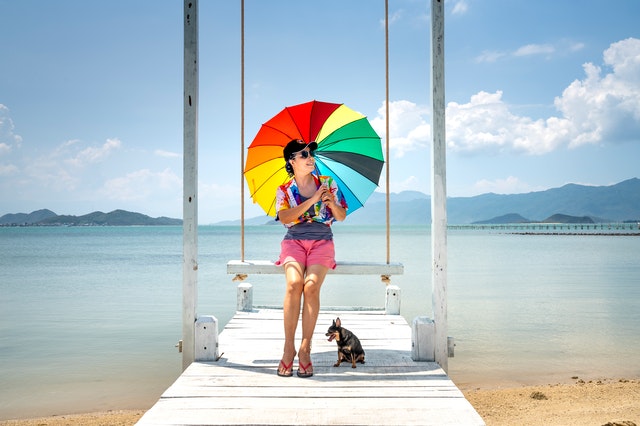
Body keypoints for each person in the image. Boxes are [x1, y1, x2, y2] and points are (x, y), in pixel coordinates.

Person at [274, 139, 348, 377]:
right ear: (291, 161)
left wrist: (331, 202)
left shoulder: (327, 183)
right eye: (304, 153)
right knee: (294, 284)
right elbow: (285, 218)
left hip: (322, 241)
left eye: (311, 153)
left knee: (311, 286)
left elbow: (341, 216)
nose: (310, 156)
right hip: (293, 241)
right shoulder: (284, 190)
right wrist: (313, 200)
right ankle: (288, 348)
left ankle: (305, 348)